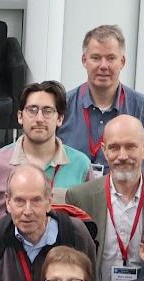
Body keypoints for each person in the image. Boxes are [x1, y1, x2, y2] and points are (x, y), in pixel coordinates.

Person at [0, 81, 91, 216]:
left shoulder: (81, 164)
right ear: (20, 116)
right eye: (32, 110)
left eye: (48, 111)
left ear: (59, 118)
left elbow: (90, 221)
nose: (39, 119)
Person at [66, 115, 144, 281]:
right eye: (114, 147)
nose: (122, 156)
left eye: (130, 146)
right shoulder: (80, 198)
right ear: (104, 151)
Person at [58, 25, 144, 173]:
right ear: (84, 60)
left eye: (111, 58)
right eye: (96, 58)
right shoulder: (61, 106)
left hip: (126, 194)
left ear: (122, 61)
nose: (103, 66)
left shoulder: (141, 108)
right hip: (72, 194)